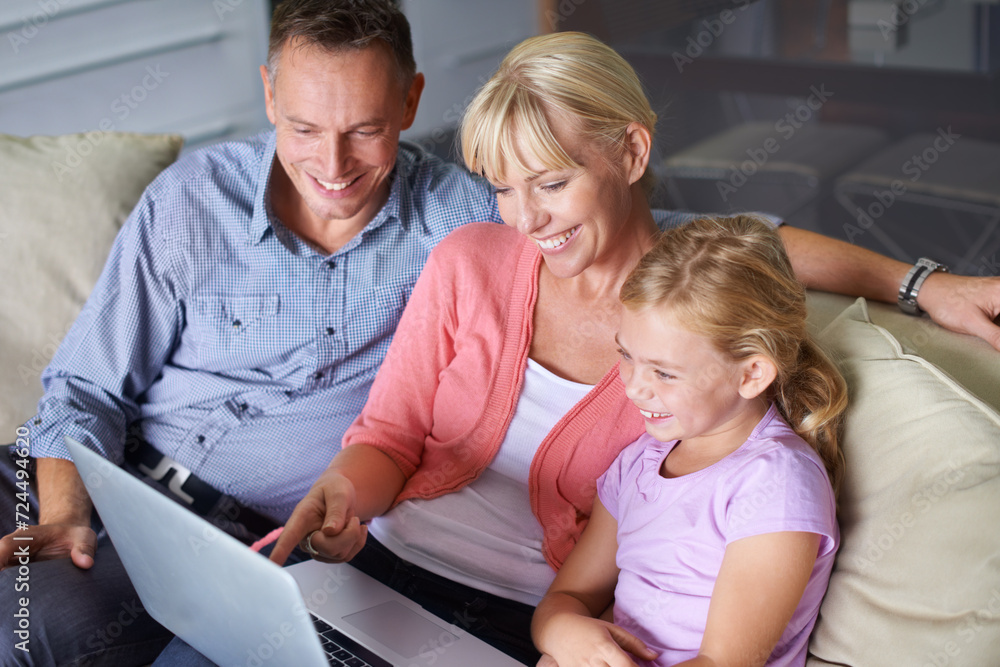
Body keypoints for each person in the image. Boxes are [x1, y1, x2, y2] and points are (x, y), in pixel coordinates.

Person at [261, 30, 1000, 666]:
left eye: (551, 181)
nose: (527, 218)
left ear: (633, 151)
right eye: (502, 188)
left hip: (513, 619)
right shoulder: (467, 259)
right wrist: (343, 493)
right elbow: (388, 437)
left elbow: (762, 244)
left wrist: (921, 286)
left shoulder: (682, 321)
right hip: (378, 570)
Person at [0, 1, 500, 664]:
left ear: (411, 101)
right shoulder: (192, 200)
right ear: (268, 93)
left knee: (25, 630)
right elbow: (85, 385)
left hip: (220, 538)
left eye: (364, 129)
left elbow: (617, 245)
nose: (333, 163)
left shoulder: (468, 223)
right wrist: (64, 513)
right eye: (303, 127)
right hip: (80, 469)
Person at [531, 215, 845, 667]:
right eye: (626, 355)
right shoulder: (638, 463)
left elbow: (724, 662)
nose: (634, 387)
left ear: (751, 373)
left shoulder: (775, 483)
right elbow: (568, 596)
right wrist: (562, 629)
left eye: (663, 372)